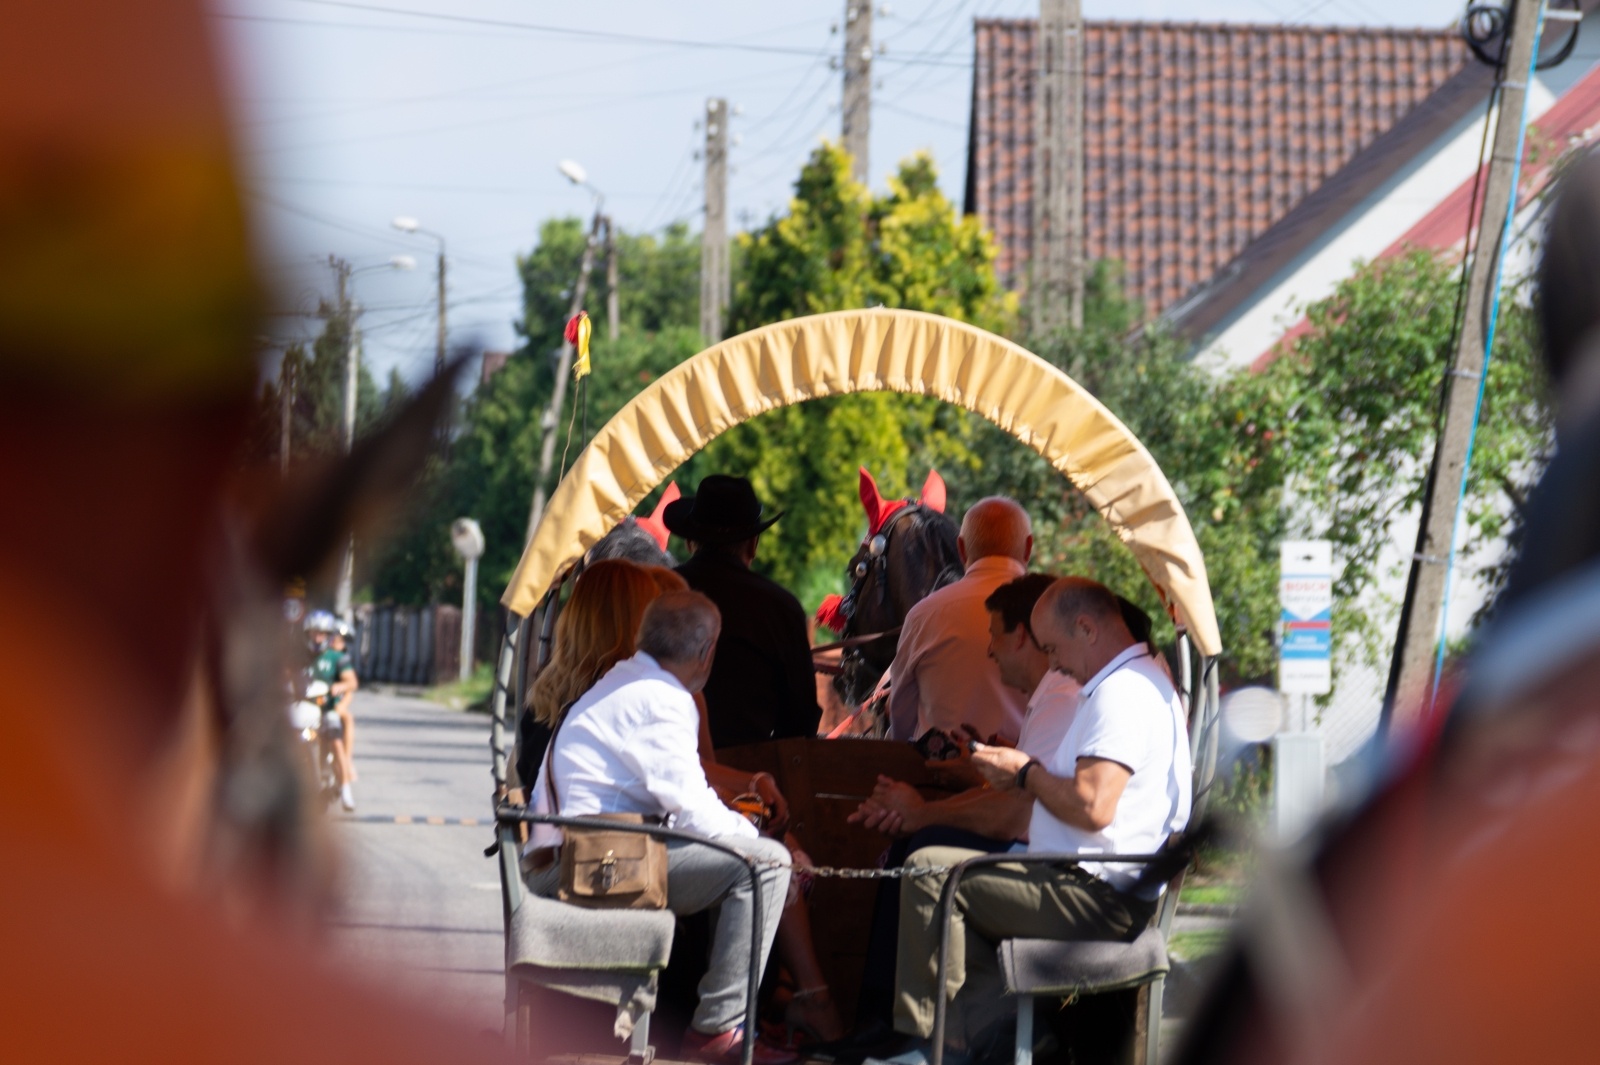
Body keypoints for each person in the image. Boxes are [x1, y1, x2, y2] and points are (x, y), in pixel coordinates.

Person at [875, 577, 1191, 1064]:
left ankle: (932, 1046)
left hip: (1098, 898)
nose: (1055, 664)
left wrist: (1023, 774)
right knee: (938, 863)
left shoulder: (1120, 693)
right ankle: (993, 1035)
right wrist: (1016, 773)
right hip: (1103, 884)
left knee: (930, 870)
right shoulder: (1141, 679)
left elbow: (1093, 807)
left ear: (1086, 628)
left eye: (1054, 648)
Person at [526, 592, 797, 1065]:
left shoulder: (628, 680)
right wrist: (765, 842)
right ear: (707, 650)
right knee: (767, 866)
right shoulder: (664, 698)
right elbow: (694, 813)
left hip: (585, 857)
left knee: (750, 861)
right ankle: (717, 1029)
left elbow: (684, 808)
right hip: (588, 868)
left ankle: (722, 1020)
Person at [841, 573, 1080, 1051]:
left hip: (1066, 871)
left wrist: (923, 813)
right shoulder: (1052, 697)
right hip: (1057, 855)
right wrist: (963, 779)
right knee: (921, 842)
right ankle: (904, 1021)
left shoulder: (1060, 695)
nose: (988, 651)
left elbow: (1018, 812)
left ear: (1019, 635)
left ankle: (923, 1035)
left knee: (926, 854)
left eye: (992, 635)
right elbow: (1021, 794)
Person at [667, 475, 822, 748]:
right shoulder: (781, 608)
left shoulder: (658, 593)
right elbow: (802, 719)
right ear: (753, 545)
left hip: (659, 764)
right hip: (752, 778)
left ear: (691, 542)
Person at [886, 497, 1034, 744]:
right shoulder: (1056, 612)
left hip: (936, 775)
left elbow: (900, 714)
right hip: (1030, 777)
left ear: (961, 549)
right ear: (1028, 548)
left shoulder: (924, 614)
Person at [311, 619, 360, 811]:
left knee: (346, 720)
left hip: (333, 706)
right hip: (312, 706)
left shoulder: (340, 659)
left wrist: (341, 707)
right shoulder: (319, 656)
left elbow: (349, 689)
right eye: (337, 638)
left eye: (342, 640)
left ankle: (346, 763)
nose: (339, 643)